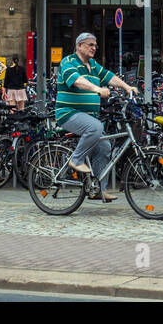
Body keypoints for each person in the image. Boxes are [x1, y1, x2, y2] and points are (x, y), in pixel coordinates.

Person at [55, 32, 139, 202]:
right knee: (95, 127)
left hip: (88, 115)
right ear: (79, 46)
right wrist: (97, 89)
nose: (94, 48)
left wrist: (127, 87)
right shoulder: (68, 62)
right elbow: (77, 80)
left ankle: (98, 189)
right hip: (68, 113)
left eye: (95, 45)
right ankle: (76, 160)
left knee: (104, 147)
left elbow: (109, 76)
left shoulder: (93, 65)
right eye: (90, 44)